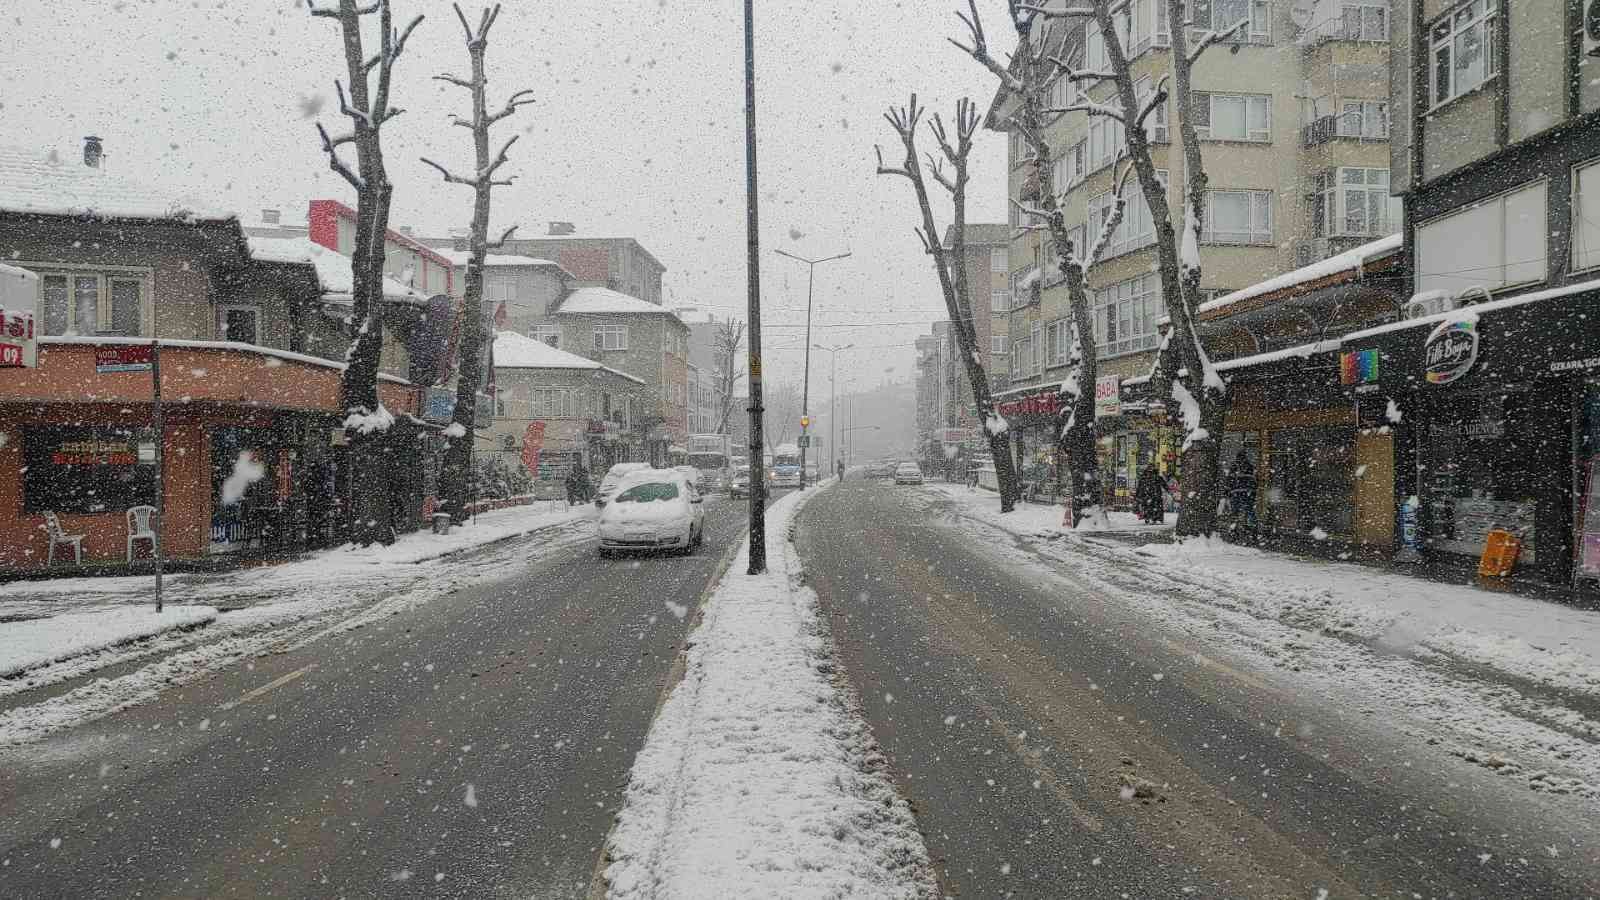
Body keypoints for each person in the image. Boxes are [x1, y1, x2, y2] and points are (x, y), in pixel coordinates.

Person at [1228, 450, 1256, 530]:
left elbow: (1230, 480)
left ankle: (1234, 528)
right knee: (1249, 509)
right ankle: (1251, 527)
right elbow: (1253, 480)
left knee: (1235, 511)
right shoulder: (1250, 466)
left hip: (1235, 492)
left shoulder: (1234, 466)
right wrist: (1253, 491)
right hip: (1247, 492)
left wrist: (1228, 490)